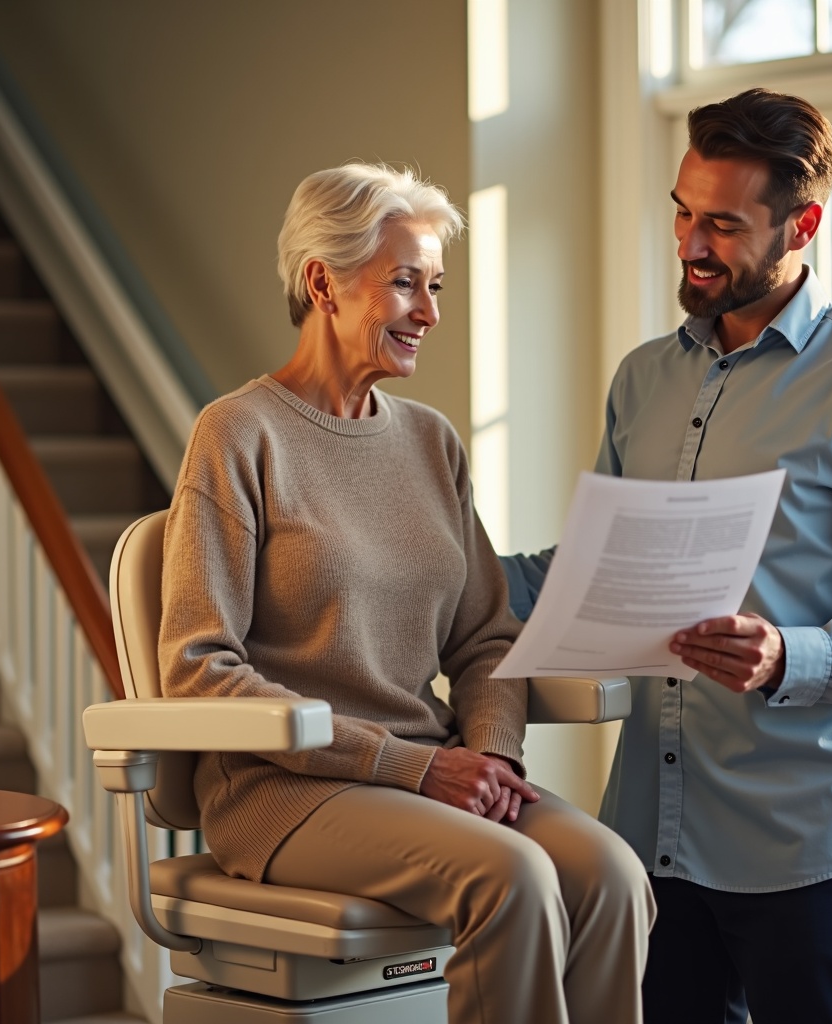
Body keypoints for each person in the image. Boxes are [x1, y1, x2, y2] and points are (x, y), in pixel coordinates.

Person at [502, 89, 832, 1024]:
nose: (689, 243)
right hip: (649, 833)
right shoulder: (644, 377)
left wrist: (787, 656)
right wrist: (436, 563)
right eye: (682, 211)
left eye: (722, 223)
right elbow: (599, 562)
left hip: (808, 844)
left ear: (803, 224)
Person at [159, 162, 654, 1024]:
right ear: (323, 283)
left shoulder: (432, 442)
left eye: (434, 286)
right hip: (284, 791)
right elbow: (198, 667)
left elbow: (487, 638)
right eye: (403, 285)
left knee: (613, 876)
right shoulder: (238, 435)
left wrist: (492, 756)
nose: (428, 312)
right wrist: (416, 768)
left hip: (432, 775)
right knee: (514, 877)